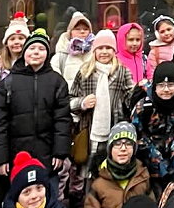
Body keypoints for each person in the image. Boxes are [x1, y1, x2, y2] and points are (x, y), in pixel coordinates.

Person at [0, 28, 72, 203]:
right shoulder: (7, 84)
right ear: (24, 52)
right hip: (16, 156)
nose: (36, 52)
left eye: (41, 49)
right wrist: (0, 158)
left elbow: (62, 120)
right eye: (32, 48)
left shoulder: (57, 82)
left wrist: (60, 152)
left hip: (47, 156)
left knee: (48, 201)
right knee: (19, 202)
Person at [70, 28, 136, 174]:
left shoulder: (122, 71)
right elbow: (70, 100)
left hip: (114, 126)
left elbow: (131, 99)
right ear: (94, 51)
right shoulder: (84, 72)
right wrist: (82, 103)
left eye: (108, 48)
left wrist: (139, 91)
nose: (104, 52)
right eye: (100, 48)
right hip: (88, 130)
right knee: (88, 170)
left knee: (110, 168)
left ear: (114, 51)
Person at [131, 62, 174, 193]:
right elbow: (137, 135)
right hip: (148, 156)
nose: (166, 90)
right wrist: (154, 156)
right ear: (155, 87)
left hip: (172, 153)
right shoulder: (143, 106)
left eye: (170, 85)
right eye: (161, 85)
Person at [50, 11, 94, 90]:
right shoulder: (60, 57)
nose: (82, 31)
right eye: (77, 29)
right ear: (70, 32)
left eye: (86, 29)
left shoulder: (96, 53)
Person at [145, 14, 174, 79]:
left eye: (169, 29)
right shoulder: (155, 51)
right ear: (157, 34)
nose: (166, 33)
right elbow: (151, 72)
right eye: (162, 32)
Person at [117, 21, 148, 94]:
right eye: (131, 40)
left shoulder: (144, 59)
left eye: (138, 40)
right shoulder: (116, 60)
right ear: (122, 40)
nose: (135, 43)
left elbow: (149, 76)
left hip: (141, 97)